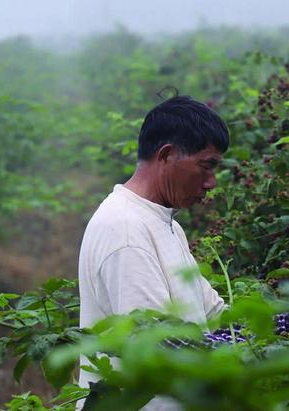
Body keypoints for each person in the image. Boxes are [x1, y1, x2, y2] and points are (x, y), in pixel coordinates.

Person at [77, 96, 229, 410]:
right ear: (167, 156)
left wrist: (286, 328)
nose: (212, 182)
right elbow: (157, 342)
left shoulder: (165, 224)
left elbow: (214, 317)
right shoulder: (125, 228)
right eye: (207, 165)